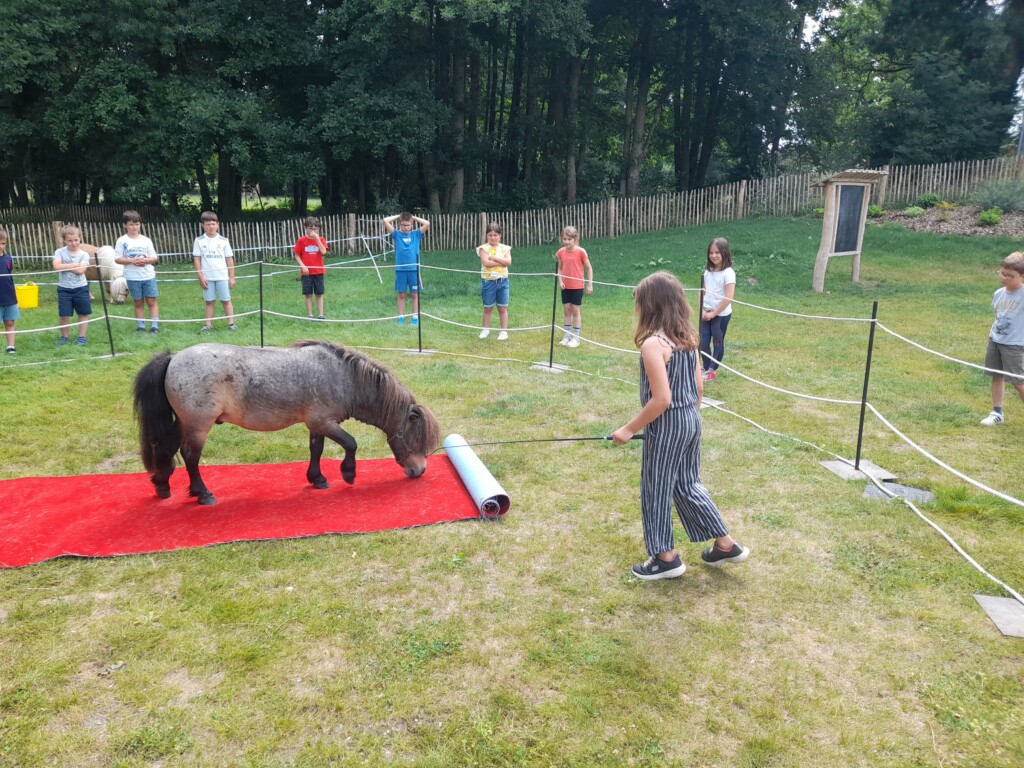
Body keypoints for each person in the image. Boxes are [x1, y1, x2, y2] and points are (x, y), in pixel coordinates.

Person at [611, 271, 749, 580]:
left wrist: (629, 429)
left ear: (651, 305)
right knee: (687, 484)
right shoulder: (687, 339)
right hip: (691, 419)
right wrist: (690, 420)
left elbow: (661, 399)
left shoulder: (653, 344)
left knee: (657, 489)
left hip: (668, 423)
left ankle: (665, 558)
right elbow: (699, 388)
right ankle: (725, 544)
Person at [980, 251, 1024, 425]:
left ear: (1022, 276)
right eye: (1002, 273)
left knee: (1018, 382)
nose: (1004, 278)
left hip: (1014, 345)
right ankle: (997, 413)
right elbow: (998, 316)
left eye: (1010, 276)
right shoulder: (999, 293)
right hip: (995, 340)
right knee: (996, 376)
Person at [114, 210, 160, 333]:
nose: (134, 227)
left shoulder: (146, 240)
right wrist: (132, 260)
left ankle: (155, 326)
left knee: (151, 301)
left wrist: (145, 260)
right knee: (138, 302)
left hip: (148, 276)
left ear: (140, 225)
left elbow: (154, 257)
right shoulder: (122, 241)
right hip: (132, 277)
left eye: (137, 224)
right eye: (131, 224)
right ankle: (141, 326)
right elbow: (117, 259)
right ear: (125, 225)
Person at [698, 237, 736, 382]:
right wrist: (702, 310)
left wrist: (714, 313)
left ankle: (712, 369)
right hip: (705, 313)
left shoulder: (728, 273)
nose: (713, 255)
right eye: (711, 253)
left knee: (718, 341)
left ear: (724, 253)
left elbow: (729, 297)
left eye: (717, 252)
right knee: (703, 341)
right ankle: (706, 366)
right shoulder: (708, 272)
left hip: (720, 315)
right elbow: (701, 292)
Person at [382, 211, 430, 326]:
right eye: (403, 225)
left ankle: (415, 317)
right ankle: (400, 317)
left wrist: (414, 218)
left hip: (414, 270)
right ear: (400, 224)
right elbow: (385, 221)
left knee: (414, 294)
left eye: (408, 225)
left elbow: (427, 223)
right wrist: (399, 216)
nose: (406, 227)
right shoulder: (396, 234)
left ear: (412, 224)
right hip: (400, 270)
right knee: (401, 294)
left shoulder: (416, 234)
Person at [193, 211, 236, 331]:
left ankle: (231, 324)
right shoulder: (199, 241)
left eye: (213, 224)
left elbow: (229, 260)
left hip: (222, 277)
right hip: (207, 278)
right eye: (208, 224)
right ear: (203, 225)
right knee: (209, 301)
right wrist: (201, 277)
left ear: (218, 224)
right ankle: (208, 325)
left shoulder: (223, 240)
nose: (211, 227)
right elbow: (197, 260)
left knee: (226, 300)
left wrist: (232, 277)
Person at [52, 224, 92, 346]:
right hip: (64, 289)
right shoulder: (59, 252)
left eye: (76, 240)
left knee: (83, 314)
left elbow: (81, 271)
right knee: (64, 315)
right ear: (64, 240)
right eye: (70, 241)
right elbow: (56, 266)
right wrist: (75, 264)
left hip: (81, 288)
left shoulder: (84, 255)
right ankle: (64, 337)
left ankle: (82, 337)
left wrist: (64, 266)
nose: (74, 243)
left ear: (80, 238)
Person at [555, 225, 593, 347]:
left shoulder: (581, 252)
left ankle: (576, 337)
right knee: (567, 310)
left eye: (569, 239)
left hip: (577, 286)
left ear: (575, 239)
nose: (566, 242)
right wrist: (560, 281)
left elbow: (589, 268)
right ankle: (567, 335)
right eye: (564, 239)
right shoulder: (560, 252)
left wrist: (589, 284)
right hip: (565, 287)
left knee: (575, 310)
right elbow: (560, 268)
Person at [476, 221, 512, 340]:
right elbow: (486, 263)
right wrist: (501, 261)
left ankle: (503, 331)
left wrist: (494, 258)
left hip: (503, 281)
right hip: (488, 282)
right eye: (490, 235)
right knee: (488, 307)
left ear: (500, 235)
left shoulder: (505, 248)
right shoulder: (483, 248)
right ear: (486, 235)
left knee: (502, 308)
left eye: (495, 235)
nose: (493, 237)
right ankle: (486, 329)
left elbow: (509, 262)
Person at [293, 216, 329, 320]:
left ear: (319, 229)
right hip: (306, 273)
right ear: (305, 228)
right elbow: (297, 255)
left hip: (318, 271)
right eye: (311, 228)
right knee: (308, 294)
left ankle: (321, 315)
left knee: (319, 293)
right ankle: (310, 315)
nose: (313, 231)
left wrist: (317, 239)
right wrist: (303, 266)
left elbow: (323, 252)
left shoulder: (321, 239)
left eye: (315, 228)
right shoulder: (301, 240)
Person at [0, 227, 18, 354]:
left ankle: (11, 346)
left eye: (3, 243)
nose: (1, 246)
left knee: (10, 322)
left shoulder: (8, 258)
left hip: (9, 296)